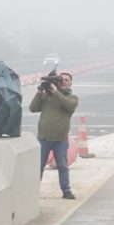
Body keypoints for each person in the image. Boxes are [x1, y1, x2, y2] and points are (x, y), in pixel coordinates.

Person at [32, 70, 79, 200]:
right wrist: (39, 92)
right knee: (39, 167)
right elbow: (33, 108)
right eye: (60, 80)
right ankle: (33, 191)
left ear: (70, 83)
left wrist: (55, 92)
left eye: (66, 80)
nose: (63, 82)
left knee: (63, 166)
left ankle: (66, 191)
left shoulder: (72, 98)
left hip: (60, 139)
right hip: (44, 138)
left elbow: (68, 105)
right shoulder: (47, 96)